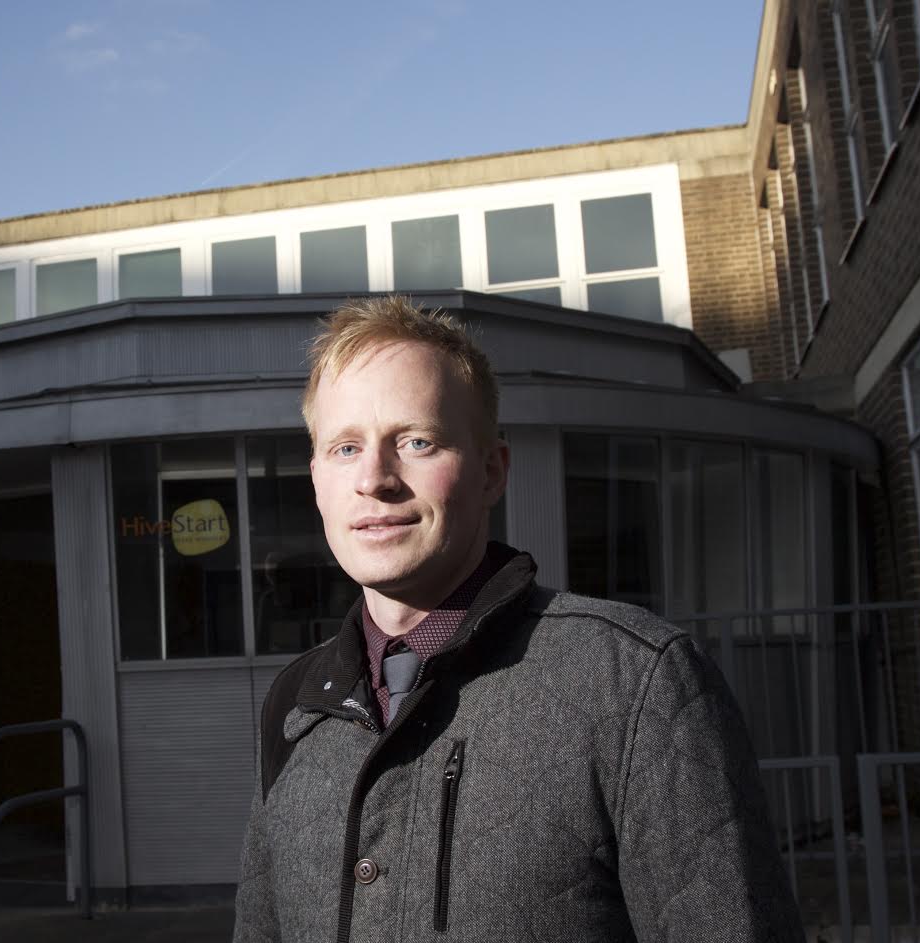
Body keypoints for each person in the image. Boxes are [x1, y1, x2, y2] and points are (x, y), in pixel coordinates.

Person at [233, 295, 802, 942]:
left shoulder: (632, 681)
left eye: (416, 441)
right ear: (316, 481)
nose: (375, 478)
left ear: (492, 472)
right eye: (344, 448)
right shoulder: (294, 706)